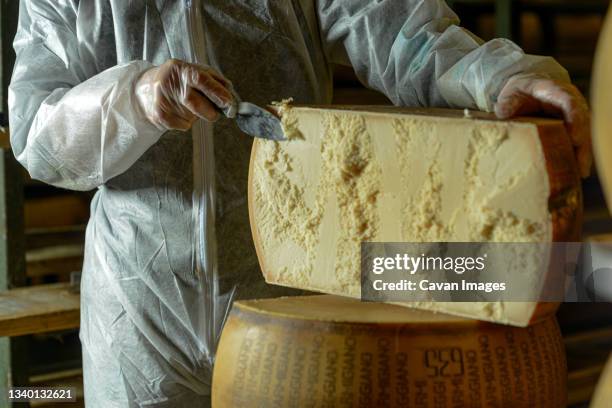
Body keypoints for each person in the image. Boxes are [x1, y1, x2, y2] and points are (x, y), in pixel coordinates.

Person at [9, 0, 591, 406]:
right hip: (138, 308)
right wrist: (133, 98)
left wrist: (497, 77)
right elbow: (38, 135)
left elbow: (403, 34)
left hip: (284, 294)